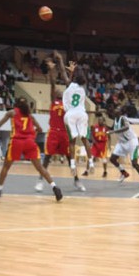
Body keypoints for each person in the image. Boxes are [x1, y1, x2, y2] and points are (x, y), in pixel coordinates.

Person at [0, 97, 63, 201]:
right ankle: (54, 186)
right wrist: (32, 134)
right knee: (40, 168)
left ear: (16, 104)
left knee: (6, 167)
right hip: (30, 142)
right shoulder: (30, 116)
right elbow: (40, 129)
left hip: (16, 142)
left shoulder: (12, 113)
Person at [35, 57, 70, 192]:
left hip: (64, 132)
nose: (58, 91)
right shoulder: (53, 101)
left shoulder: (66, 102)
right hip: (54, 131)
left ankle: (77, 180)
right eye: (57, 91)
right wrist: (51, 70)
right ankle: (40, 180)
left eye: (60, 91)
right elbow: (53, 84)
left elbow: (68, 86)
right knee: (47, 158)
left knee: (69, 157)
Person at [59, 52, 93, 191]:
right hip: (82, 114)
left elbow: (66, 79)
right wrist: (75, 72)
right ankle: (90, 163)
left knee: (72, 141)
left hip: (71, 114)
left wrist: (70, 71)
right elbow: (76, 80)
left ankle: (72, 164)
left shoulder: (69, 87)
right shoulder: (82, 89)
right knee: (85, 140)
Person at [107, 106, 139, 187]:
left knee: (134, 163)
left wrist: (113, 131)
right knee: (112, 159)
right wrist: (106, 127)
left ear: (120, 113)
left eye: (117, 110)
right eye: (115, 111)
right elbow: (112, 128)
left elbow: (126, 127)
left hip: (131, 142)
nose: (116, 111)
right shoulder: (115, 120)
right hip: (122, 142)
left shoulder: (123, 118)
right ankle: (124, 173)